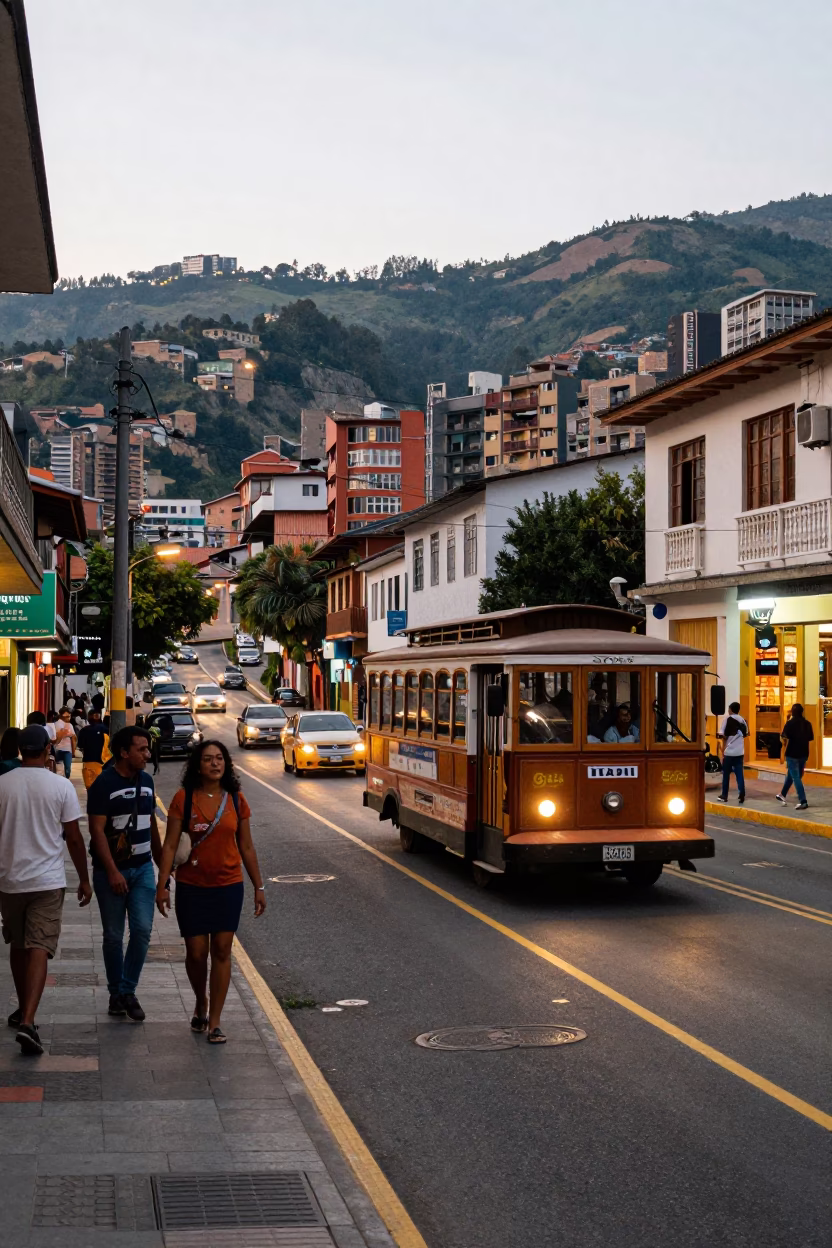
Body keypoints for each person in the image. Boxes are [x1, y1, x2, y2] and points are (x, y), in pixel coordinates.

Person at [156, 740, 266, 1044]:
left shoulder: (236, 799)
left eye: (220, 759)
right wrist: (163, 884)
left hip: (228, 885)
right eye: (208, 759)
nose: (215, 764)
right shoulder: (183, 798)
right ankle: (200, 1000)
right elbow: (169, 845)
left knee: (221, 950)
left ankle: (215, 1020)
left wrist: (259, 886)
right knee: (196, 953)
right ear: (197, 765)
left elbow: (246, 846)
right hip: (192, 887)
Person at [0, 725, 92, 1054]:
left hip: (9, 882)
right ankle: (27, 1020)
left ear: (21, 750)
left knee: (18, 944)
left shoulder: (2, 785)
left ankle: (24, 1010)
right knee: (39, 946)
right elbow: (74, 837)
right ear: (47, 749)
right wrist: (84, 878)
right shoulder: (60, 786)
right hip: (47, 881)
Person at [87, 727, 162, 1022]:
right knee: (113, 936)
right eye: (141, 749)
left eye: (147, 749)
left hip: (143, 868)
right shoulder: (103, 784)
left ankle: (127, 990)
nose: (147, 754)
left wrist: (162, 870)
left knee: (142, 931)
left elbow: (152, 825)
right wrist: (112, 871)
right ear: (123, 752)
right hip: (111, 872)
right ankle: (115, 993)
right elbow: (96, 832)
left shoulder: (147, 781)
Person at [776, 703, 814, 810]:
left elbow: (783, 737)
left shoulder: (790, 723)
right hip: (804, 753)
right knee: (793, 775)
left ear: (792, 712)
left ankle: (803, 801)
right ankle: (782, 795)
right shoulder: (808, 724)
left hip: (792, 753)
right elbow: (810, 738)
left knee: (795, 777)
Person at [717, 700, 748, 804]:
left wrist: (722, 747)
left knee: (726, 774)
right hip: (740, 752)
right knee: (740, 774)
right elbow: (746, 734)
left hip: (729, 752)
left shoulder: (727, 719)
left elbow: (722, 735)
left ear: (731, 709)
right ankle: (742, 793)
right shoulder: (743, 720)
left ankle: (724, 795)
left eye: (729, 709)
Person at [77, 710, 109, 789]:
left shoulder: (84, 730)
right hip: (104, 763)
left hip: (88, 762)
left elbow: (80, 745)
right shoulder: (106, 729)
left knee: (90, 789)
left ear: (88, 718)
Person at [53, 708, 76, 779]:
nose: (69, 717)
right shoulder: (58, 724)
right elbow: (73, 738)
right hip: (62, 749)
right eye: (67, 716)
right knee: (67, 768)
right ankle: (65, 780)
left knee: (58, 768)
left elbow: (73, 738)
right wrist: (73, 751)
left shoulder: (68, 725)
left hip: (59, 749)